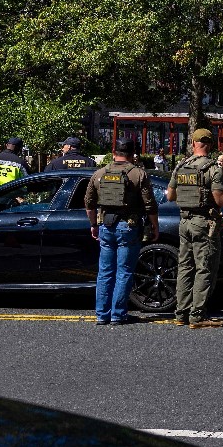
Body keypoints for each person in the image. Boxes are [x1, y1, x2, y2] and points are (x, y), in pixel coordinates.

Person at [85, 138, 158, 326]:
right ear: (133, 153)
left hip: (106, 226)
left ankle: (102, 314)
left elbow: (89, 203)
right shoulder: (138, 174)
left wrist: (94, 224)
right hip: (129, 226)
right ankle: (118, 314)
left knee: (105, 272)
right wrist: (154, 226)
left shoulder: (99, 173)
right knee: (124, 272)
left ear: (113, 151)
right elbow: (150, 204)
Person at [167, 128, 223, 329]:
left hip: (184, 222)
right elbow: (220, 200)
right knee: (204, 268)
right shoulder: (213, 169)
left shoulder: (181, 166)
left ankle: (181, 313)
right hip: (204, 224)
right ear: (210, 145)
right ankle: (197, 316)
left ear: (193, 143)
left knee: (185, 267)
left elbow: (170, 196)